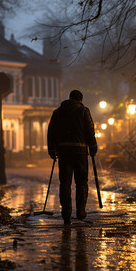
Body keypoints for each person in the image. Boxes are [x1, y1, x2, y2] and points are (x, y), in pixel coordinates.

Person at [47, 90, 97, 224]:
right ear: (80, 99)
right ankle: (80, 211)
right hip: (80, 152)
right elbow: (89, 130)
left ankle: (66, 214)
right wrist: (93, 147)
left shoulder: (57, 112)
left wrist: (52, 149)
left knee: (65, 183)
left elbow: (51, 132)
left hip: (63, 152)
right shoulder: (84, 111)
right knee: (81, 182)